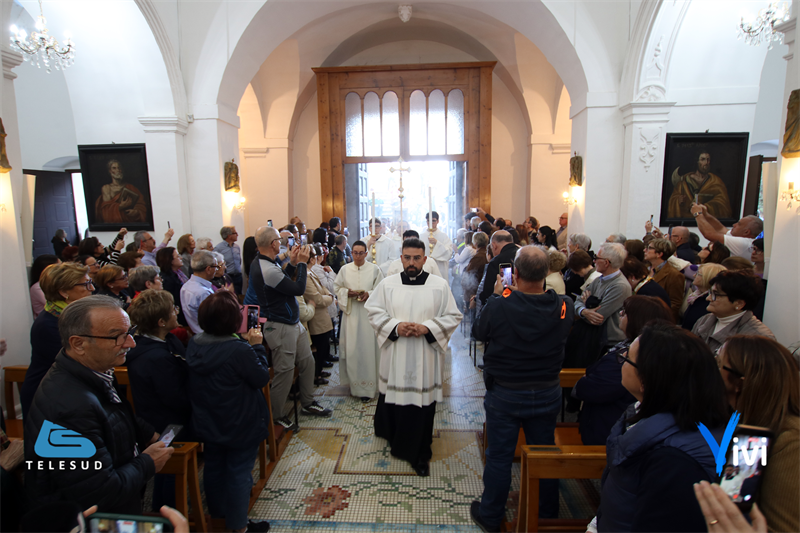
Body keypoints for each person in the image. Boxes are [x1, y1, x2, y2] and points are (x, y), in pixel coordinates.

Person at [25, 295, 174, 513]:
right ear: (79, 344)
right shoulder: (70, 408)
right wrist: (147, 462)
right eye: (117, 337)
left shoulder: (92, 369)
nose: (130, 344)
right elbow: (99, 493)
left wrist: (146, 432)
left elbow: (112, 414)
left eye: (129, 333)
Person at [469, 246, 574, 531]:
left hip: (506, 390)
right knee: (545, 452)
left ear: (514, 273)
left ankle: (491, 515)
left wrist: (498, 293)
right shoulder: (564, 304)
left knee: (500, 456)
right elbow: (563, 329)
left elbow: (479, 332)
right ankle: (547, 513)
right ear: (547, 273)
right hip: (546, 389)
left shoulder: (501, 302)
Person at [594, 323, 731, 532]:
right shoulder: (650, 415)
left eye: (626, 359)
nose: (621, 363)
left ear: (646, 380)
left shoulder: (674, 462)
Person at [366, 238, 462, 476]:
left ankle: (420, 451)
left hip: (425, 358)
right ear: (401, 258)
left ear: (425, 259)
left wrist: (427, 327)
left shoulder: (439, 285)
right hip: (396, 354)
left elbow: (453, 315)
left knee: (421, 405)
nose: (411, 262)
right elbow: (373, 311)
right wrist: (396, 327)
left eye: (417, 258)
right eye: (407, 257)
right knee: (397, 401)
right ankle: (398, 442)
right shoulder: (387, 285)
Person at [185, 291, 271, 533]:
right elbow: (260, 378)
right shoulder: (239, 350)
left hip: (208, 418)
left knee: (214, 469)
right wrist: (257, 347)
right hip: (239, 420)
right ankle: (239, 526)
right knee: (239, 472)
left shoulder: (195, 342)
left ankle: (219, 516)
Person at [716, 335, 800, 532]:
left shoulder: (791, 441)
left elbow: (781, 527)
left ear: (740, 383)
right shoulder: (745, 422)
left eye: (718, 364)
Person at [252, 226, 332, 431]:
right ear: (273, 244)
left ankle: (308, 402)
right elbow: (296, 288)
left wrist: (294, 263)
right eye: (280, 239)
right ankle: (277, 416)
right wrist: (303, 265)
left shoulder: (269, 263)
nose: (282, 243)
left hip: (292, 323)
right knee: (285, 372)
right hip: (279, 326)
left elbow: (283, 280)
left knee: (307, 363)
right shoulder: (266, 268)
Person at [572, 295, 673, 446]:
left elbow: (592, 388)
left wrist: (584, 381)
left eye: (625, 312)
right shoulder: (630, 346)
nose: (620, 314)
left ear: (637, 319)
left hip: (609, 428)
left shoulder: (630, 356)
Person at [125, 289, 191, 509]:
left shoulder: (164, 340)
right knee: (168, 471)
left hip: (166, 419)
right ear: (161, 322)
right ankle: (167, 513)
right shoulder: (155, 358)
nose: (177, 312)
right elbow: (175, 397)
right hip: (167, 425)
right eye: (173, 309)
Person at [20, 263, 95, 418]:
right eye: (86, 284)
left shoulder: (70, 316)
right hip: (48, 395)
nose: (92, 288)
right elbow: (82, 360)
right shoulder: (49, 324)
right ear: (63, 292)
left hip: (68, 390)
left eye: (91, 282)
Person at [335, 240, 385, 400]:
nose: (357, 256)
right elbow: (336, 288)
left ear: (366, 253)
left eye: (361, 253)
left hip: (368, 316)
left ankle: (370, 388)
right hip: (351, 316)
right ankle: (355, 387)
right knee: (353, 350)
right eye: (354, 253)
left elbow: (381, 289)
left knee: (368, 350)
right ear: (352, 254)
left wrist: (369, 294)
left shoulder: (374, 269)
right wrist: (346, 293)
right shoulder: (344, 269)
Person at [567, 243, 631, 367]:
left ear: (606, 263)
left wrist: (585, 304)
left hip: (605, 342)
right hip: (592, 338)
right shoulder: (599, 280)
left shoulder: (620, 286)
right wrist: (584, 310)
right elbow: (578, 301)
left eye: (597, 257)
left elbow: (598, 318)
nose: (594, 260)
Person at [691, 270, 775, 354]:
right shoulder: (704, 320)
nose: (708, 298)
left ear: (739, 303)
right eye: (710, 293)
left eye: (715, 294)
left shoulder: (759, 337)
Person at [304, 245, 335, 386]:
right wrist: (330, 298)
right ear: (311, 259)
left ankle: (319, 371)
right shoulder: (305, 274)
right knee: (319, 348)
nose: (317, 258)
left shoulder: (311, 272)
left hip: (322, 315)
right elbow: (317, 299)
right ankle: (315, 376)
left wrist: (327, 294)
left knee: (323, 346)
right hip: (316, 318)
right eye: (315, 256)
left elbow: (323, 288)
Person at [669, 152, 733, 219]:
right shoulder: (684, 180)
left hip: (707, 221)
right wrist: (678, 200)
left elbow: (723, 204)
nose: (706, 163)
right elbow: (673, 200)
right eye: (703, 159)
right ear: (697, 162)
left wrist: (705, 207)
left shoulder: (716, 181)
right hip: (685, 221)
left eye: (708, 160)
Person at [692, 201, 762, 260]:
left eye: (739, 224)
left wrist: (697, 214)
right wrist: (705, 214)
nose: (734, 225)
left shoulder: (744, 243)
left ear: (746, 232)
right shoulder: (737, 237)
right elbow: (720, 229)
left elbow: (709, 234)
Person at [643, 238, 685, 321]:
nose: (645, 250)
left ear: (659, 254)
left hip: (658, 319)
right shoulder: (645, 269)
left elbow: (675, 304)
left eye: (649, 248)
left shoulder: (674, 275)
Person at [180, 250, 218, 334]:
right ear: (208, 269)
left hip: (196, 332)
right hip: (209, 335)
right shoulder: (203, 292)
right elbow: (214, 320)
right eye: (215, 266)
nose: (216, 269)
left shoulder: (185, 286)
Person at [681, 263, 727, 331]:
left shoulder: (710, 302)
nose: (694, 275)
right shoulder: (696, 296)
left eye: (698, 274)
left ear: (708, 278)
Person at [478, 231, 517, 307]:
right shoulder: (524, 254)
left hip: (503, 306)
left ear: (493, 245)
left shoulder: (497, 261)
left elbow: (488, 291)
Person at [418, 211, 453, 283]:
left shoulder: (444, 236)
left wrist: (437, 243)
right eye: (428, 221)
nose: (431, 223)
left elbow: (449, 253)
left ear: (438, 221)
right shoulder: (421, 236)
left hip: (440, 267)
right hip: (425, 267)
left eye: (433, 221)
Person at [462, 232, 489, 307]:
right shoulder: (487, 254)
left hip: (474, 292)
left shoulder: (478, 257)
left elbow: (469, 274)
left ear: (475, 243)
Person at [214, 226, 243, 294]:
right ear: (229, 235)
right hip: (227, 277)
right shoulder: (218, 248)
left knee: (238, 294)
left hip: (238, 276)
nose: (237, 235)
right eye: (235, 233)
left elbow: (239, 261)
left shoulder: (237, 247)